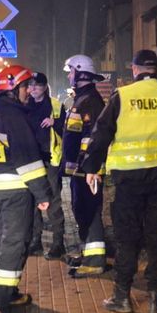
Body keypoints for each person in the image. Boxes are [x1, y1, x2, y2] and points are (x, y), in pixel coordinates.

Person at [81, 50, 157, 313]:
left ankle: (122, 297)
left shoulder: (122, 96)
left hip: (129, 180)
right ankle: (155, 301)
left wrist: (92, 167)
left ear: (135, 69)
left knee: (127, 239)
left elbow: (101, 133)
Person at [0, 65, 51, 311]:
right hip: (17, 190)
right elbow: (27, 158)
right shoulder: (14, 116)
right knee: (15, 242)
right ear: (11, 89)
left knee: (2, 237)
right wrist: (42, 194)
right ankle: (5, 296)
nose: (29, 91)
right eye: (24, 86)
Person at [62, 54, 106, 278]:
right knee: (82, 210)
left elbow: (94, 139)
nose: (69, 76)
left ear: (80, 73)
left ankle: (96, 261)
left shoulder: (91, 101)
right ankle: (88, 253)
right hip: (80, 170)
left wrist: (92, 169)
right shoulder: (82, 99)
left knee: (90, 211)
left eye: (71, 72)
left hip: (87, 171)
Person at [25, 72, 67, 259]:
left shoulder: (56, 105)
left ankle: (58, 243)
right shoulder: (23, 106)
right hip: (31, 161)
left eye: (37, 85)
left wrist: (55, 122)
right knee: (33, 202)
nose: (33, 88)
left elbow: (68, 128)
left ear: (45, 87)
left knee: (53, 202)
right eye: (30, 85)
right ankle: (36, 240)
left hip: (50, 160)